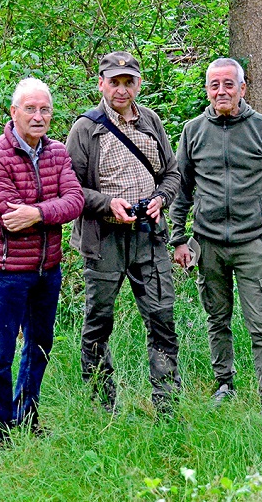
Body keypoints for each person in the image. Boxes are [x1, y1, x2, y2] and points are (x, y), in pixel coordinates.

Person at [169, 58, 262, 417]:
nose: (221, 91)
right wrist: (178, 238)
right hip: (208, 244)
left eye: (228, 84)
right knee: (216, 318)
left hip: (253, 243)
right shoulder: (193, 131)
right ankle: (224, 382)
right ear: (207, 90)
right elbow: (181, 188)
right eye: (214, 85)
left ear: (242, 88)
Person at [66, 51, 182, 414]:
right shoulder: (86, 128)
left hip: (149, 236)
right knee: (98, 321)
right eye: (113, 82)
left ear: (138, 84)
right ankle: (103, 406)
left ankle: (168, 404)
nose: (121, 89)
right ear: (101, 83)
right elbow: (70, 188)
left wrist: (161, 199)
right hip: (104, 239)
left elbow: (172, 174)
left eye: (128, 81)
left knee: (162, 317)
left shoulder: (150, 121)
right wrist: (106, 203)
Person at [0, 78, 84, 441]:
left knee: (39, 347)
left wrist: (36, 213)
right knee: (1, 352)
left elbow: (76, 201)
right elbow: (9, 214)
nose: (38, 116)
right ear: (14, 112)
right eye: (30, 109)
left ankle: (27, 416)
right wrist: (49, 211)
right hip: (8, 273)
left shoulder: (57, 153)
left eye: (44, 110)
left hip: (47, 269)